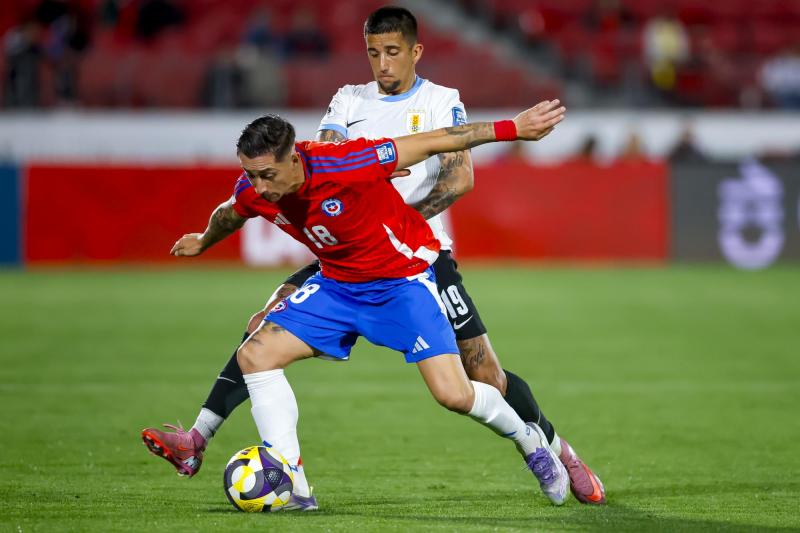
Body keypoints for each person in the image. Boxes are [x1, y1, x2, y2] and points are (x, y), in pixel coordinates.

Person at [142, 7, 605, 506]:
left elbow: (456, 171)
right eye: (373, 52)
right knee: (260, 332)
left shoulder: (439, 100)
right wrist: (209, 237)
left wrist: (387, 214)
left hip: (415, 253)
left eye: (392, 52)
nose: (382, 64)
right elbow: (315, 159)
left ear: (413, 51)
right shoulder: (346, 104)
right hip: (342, 259)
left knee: (480, 376)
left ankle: (555, 449)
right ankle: (213, 444)